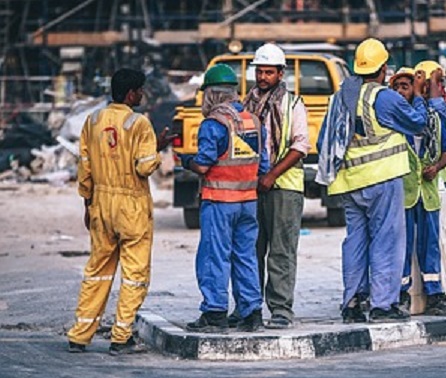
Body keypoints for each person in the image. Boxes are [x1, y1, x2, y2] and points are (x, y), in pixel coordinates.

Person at [316, 38, 428, 324]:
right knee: (386, 241)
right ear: (383, 69)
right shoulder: (384, 97)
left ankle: (352, 302)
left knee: (355, 241)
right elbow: (417, 123)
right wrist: (417, 95)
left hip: (350, 182)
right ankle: (382, 305)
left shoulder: (342, 96)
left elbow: (324, 140)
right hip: (383, 179)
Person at [67, 68, 175, 355]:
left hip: (101, 203)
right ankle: (121, 337)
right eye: (140, 90)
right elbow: (143, 166)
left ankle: (80, 334)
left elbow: (85, 168)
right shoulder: (139, 123)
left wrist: (87, 205)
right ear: (130, 94)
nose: (142, 95)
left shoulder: (92, 121)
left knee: (97, 272)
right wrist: (159, 147)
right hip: (131, 206)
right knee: (134, 274)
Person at [179, 64, 269, 334]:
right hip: (248, 202)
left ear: (212, 95)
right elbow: (262, 165)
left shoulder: (213, 123)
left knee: (214, 257)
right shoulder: (253, 121)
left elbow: (204, 165)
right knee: (245, 256)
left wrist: (186, 162)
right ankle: (251, 313)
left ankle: (215, 313)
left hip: (219, 201)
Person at [242, 43, 310, 329]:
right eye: (260, 71)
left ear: (281, 74)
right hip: (251, 187)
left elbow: (300, 146)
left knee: (281, 251)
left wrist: (270, 175)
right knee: (251, 250)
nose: (263, 77)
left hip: (284, 187)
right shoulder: (246, 105)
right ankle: (249, 307)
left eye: (269, 72)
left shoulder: (292, 105)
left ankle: (281, 309)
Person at [389, 67, 446, 316]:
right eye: (396, 88)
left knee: (430, 245)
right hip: (404, 195)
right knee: (402, 246)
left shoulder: (433, 120)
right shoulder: (393, 122)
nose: (400, 92)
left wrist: (437, 167)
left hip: (427, 195)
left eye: (406, 87)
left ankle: (435, 294)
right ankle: (400, 294)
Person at [414, 60, 446, 189]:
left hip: (437, 177)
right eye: (439, 82)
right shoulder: (417, 109)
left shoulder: (445, 111)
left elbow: (439, 112)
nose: (442, 88)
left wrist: (432, 82)